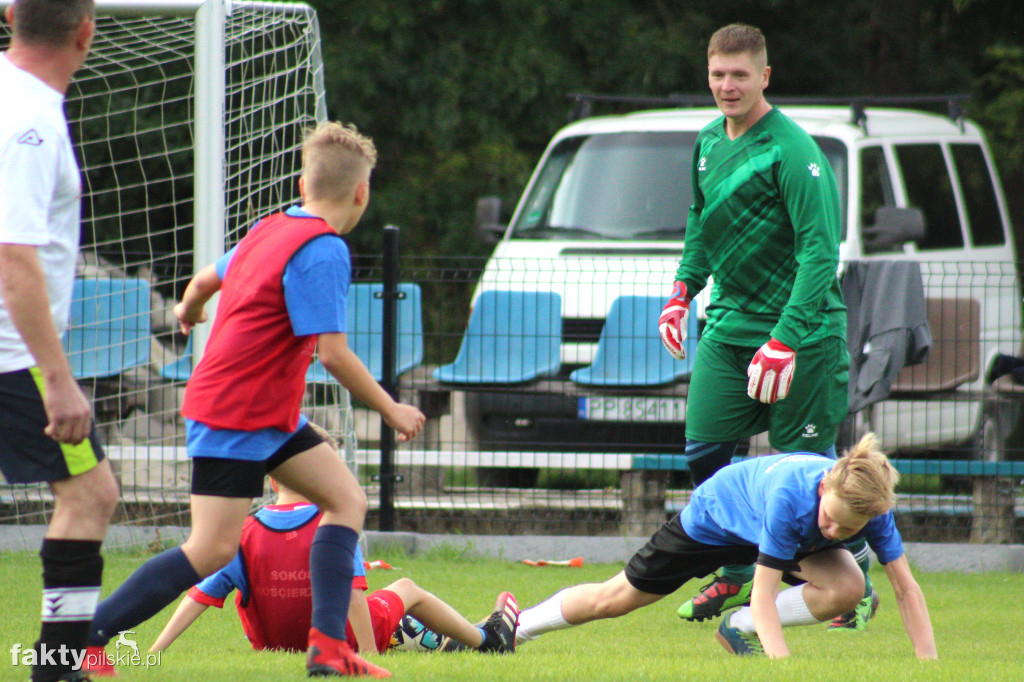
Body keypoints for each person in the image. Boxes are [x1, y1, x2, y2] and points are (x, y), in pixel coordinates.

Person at [83, 121, 426, 679]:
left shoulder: (270, 229)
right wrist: (391, 408)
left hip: (267, 414)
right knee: (212, 550)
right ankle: (88, 637)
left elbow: (203, 282)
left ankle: (328, 648)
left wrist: (189, 311)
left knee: (346, 500)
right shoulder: (325, 251)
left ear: (302, 185)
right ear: (362, 193)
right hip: (235, 413)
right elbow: (333, 354)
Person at [655, 23, 870, 629]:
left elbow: (819, 254)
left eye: (739, 75)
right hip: (728, 330)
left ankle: (855, 587)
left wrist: (785, 339)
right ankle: (736, 571)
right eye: (718, 75)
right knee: (704, 453)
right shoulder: (706, 142)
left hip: (801, 339)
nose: (727, 86)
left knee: (812, 476)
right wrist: (682, 292)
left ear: (764, 77)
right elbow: (700, 223)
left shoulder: (794, 150)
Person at [513, 434, 937, 660]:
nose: (832, 531)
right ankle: (512, 629)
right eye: (830, 518)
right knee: (614, 600)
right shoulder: (789, 498)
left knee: (850, 587)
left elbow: (906, 588)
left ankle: (737, 626)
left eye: (848, 529)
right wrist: (783, 666)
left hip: (775, 530)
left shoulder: (872, 508)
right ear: (824, 486)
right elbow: (764, 593)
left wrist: (928, 662)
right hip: (716, 520)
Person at [149, 431, 518, 657]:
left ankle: (427, 637)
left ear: (273, 481)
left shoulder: (242, 532)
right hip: (340, 643)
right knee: (406, 588)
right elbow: (353, 594)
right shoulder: (336, 523)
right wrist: (368, 656)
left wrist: (155, 651)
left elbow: (198, 597)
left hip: (271, 645)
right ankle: (485, 639)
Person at [0, 2, 121, 681]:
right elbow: (13, 259)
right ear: (86, 31)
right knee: (90, 493)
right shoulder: (31, 123)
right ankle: (56, 670)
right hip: (13, 356)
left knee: (90, 492)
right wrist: (58, 378)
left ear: (10, 15)